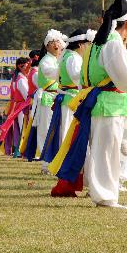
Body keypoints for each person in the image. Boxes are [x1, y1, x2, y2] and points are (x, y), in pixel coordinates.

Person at [47, 0, 127, 208]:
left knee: (103, 150)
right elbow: (125, 76)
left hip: (100, 102)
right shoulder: (112, 43)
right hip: (109, 103)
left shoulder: (98, 43)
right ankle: (105, 196)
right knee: (107, 152)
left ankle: (102, 192)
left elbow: (121, 71)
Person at [41, 28, 95, 175]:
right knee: (66, 134)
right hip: (70, 99)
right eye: (88, 44)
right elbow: (77, 77)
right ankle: (64, 166)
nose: (89, 47)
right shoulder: (73, 58)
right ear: (80, 44)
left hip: (67, 98)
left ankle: (61, 165)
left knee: (63, 132)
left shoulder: (66, 56)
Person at [22, 30, 67, 162]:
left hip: (55, 97)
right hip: (47, 97)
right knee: (45, 128)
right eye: (53, 43)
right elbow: (51, 74)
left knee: (53, 128)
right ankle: (45, 158)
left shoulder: (56, 59)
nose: (57, 45)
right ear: (47, 46)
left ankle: (51, 157)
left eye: (58, 42)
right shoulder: (46, 60)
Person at [0, 57, 32, 158]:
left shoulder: (16, 78)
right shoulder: (21, 80)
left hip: (17, 105)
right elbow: (26, 95)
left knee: (17, 128)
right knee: (21, 128)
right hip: (21, 106)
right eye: (28, 65)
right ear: (21, 67)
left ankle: (15, 150)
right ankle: (18, 150)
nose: (29, 68)